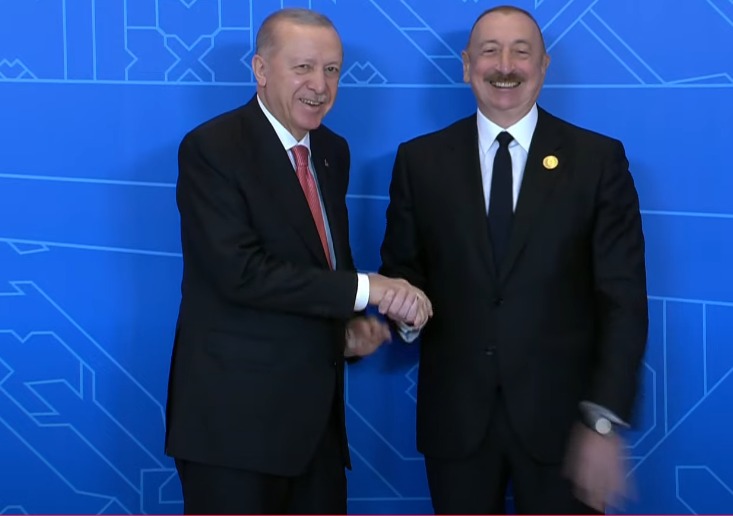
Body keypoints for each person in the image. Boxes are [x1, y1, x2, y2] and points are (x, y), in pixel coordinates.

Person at [378, 5, 648, 514]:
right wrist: (404, 316)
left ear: (544, 66)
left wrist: (603, 421)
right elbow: (403, 273)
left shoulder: (597, 162)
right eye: (490, 51)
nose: (505, 66)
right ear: (466, 65)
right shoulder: (419, 161)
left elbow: (623, 301)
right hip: (456, 426)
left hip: (567, 430)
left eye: (521, 52)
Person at [164, 8, 432, 515]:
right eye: (303, 67)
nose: (320, 85)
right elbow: (240, 274)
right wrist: (368, 289)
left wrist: (349, 329)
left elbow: (323, 265)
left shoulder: (332, 151)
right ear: (261, 70)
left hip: (315, 435)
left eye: (332, 70)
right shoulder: (212, 148)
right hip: (233, 433)